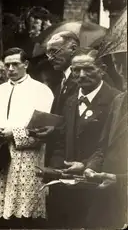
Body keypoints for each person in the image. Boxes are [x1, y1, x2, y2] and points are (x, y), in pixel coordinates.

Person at [0, 47, 54, 228]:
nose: (11, 69)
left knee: (23, 210)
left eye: (15, 64)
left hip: (26, 157)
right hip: (0, 154)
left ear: (26, 64)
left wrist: (13, 133)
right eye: (7, 65)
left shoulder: (41, 91)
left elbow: (42, 126)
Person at [48, 48, 120, 228]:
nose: (81, 75)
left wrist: (86, 165)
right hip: (69, 186)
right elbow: (61, 140)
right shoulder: (71, 100)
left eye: (88, 69)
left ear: (102, 69)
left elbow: (113, 146)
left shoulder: (116, 100)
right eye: (75, 70)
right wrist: (57, 169)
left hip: (100, 185)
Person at [83, 52, 127, 229]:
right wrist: (90, 166)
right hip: (109, 195)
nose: (123, 71)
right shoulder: (118, 100)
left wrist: (120, 179)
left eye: (127, 64)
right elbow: (103, 146)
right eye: (118, 64)